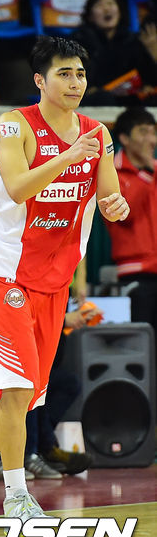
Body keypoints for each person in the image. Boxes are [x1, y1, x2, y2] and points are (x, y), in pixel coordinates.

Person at [0, 35, 129, 537]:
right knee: (17, 389)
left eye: (80, 74)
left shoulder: (98, 134)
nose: (75, 82)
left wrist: (116, 205)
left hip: (55, 280)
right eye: (65, 73)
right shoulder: (12, 124)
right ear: (40, 80)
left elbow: (109, 196)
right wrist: (69, 156)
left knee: (18, 400)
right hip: (6, 272)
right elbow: (18, 186)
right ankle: (18, 497)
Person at [104, 107, 157, 394]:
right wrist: (147, 173)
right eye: (143, 132)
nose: (151, 139)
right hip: (136, 277)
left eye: (153, 132)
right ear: (124, 138)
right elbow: (124, 215)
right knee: (142, 353)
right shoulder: (111, 172)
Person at [70, 0, 157, 106]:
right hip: (95, 99)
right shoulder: (79, 40)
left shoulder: (132, 40)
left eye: (110, 3)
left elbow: (149, 77)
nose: (106, 8)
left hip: (130, 100)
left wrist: (154, 54)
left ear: (119, 11)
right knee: (103, 98)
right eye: (99, 5)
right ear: (90, 16)